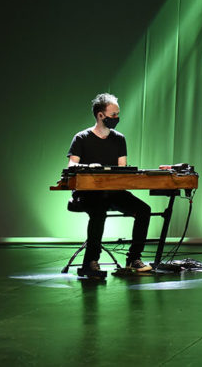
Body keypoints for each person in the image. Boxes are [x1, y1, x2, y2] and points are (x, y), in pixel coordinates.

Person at [67, 93, 152, 278]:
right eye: (113, 115)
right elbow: (71, 166)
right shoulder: (81, 138)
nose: (117, 118)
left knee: (144, 210)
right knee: (98, 211)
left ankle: (133, 259)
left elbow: (122, 170)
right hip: (88, 193)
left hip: (113, 192)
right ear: (100, 115)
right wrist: (89, 167)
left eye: (117, 114)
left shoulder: (119, 139)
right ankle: (90, 262)